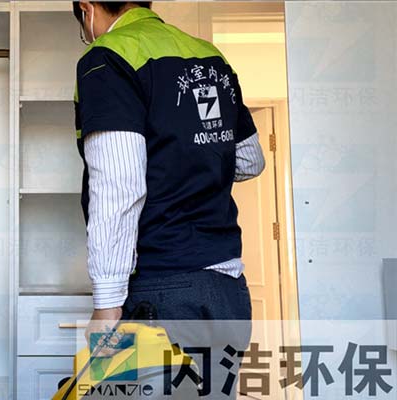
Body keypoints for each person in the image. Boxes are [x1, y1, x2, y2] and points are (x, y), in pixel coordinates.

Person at [72, 1, 265, 397]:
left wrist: (107, 306)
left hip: (160, 292)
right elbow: (250, 159)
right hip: (227, 292)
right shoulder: (210, 57)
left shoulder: (107, 58)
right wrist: (193, 163)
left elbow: (119, 185)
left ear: (87, 8)